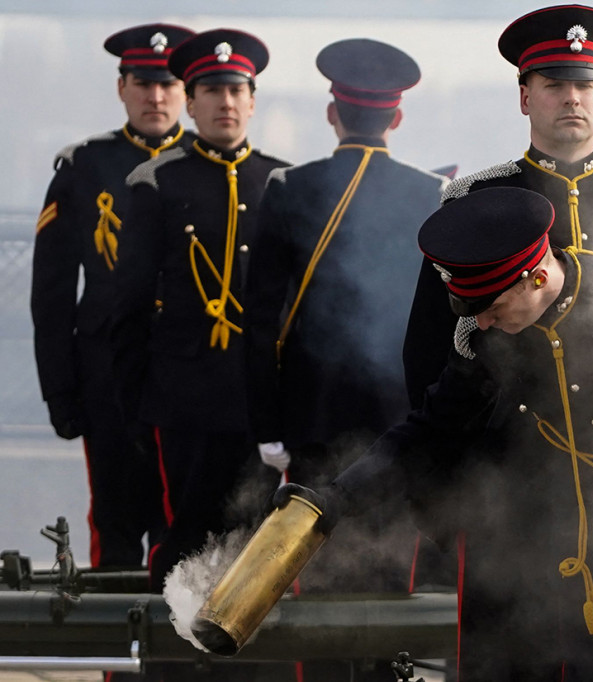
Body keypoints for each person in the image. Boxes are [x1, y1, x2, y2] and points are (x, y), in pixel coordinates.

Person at [304, 186, 593, 681]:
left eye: (491, 306)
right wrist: (337, 496)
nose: (481, 320)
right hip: (557, 540)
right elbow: (430, 428)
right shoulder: (478, 335)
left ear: (538, 277)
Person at [242, 37, 448, 682]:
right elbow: (443, 330)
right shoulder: (434, 194)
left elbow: (261, 325)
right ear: (397, 116)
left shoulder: (289, 187)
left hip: (313, 419)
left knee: (317, 584)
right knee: (391, 584)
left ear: (334, 112)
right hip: (399, 424)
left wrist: (267, 426)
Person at [402, 4, 593, 409]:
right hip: (504, 454)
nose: (572, 98)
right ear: (525, 97)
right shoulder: (472, 198)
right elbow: (428, 349)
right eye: (554, 85)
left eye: (587, 85)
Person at [110, 28, 289, 591]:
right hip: (182, 401)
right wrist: (138, 407)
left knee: (257, 543)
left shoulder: (282, 182)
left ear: (253, 101)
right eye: (211, 92)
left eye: (237, 91)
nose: (226, 103)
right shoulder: (157, 182)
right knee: (181, 541)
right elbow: (129, 308)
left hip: (260, 406)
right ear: (190, 103)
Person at [30, 23, 196, 569]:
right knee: (117, 525)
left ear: (186, 92)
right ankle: (117, 657)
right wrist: (60, 390)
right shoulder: (84, 168)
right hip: (105, 380)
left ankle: (172, 657)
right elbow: (52, 293)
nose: (156, 97)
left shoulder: (211, 167)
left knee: (186, 530)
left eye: (168, 84)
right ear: (121, 87)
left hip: (184, 375)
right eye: (142, 83)